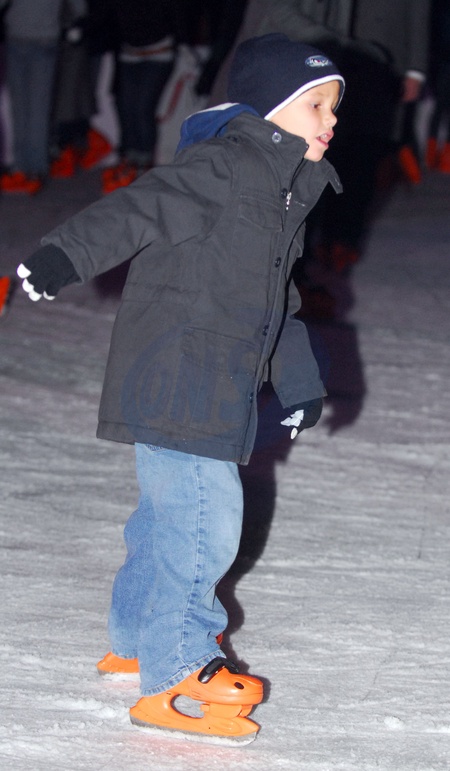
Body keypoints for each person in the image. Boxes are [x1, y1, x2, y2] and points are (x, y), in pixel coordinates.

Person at [16, 34, 344, 743]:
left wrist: (299, 385)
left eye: (333, 107)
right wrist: (62, 255)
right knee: (203, 522)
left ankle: (136, 640)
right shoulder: (226, 166)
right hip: (181, 371)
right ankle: (179, 666)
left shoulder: (285, 190)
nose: (330, 120)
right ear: (269, 111)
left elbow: (277, 300)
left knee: (167, 517)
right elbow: (138, 207)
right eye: (315, 105)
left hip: (208, 376)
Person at [0, 0, 86, 194]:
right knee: (38, 107)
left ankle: (23, 167)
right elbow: (79, 7)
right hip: (45, 35)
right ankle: (34, 169)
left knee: (20, 107)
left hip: (18, 34)